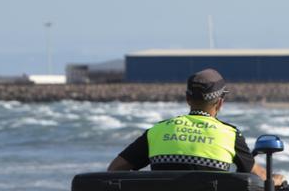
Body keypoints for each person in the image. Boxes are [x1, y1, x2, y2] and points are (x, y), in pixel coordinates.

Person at [108, 69, 279, 184]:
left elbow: (115, 169)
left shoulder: (157, 131)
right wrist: (277, 179)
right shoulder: (230, 135)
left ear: (187, 99)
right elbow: (260, 178)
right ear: (220, 103)